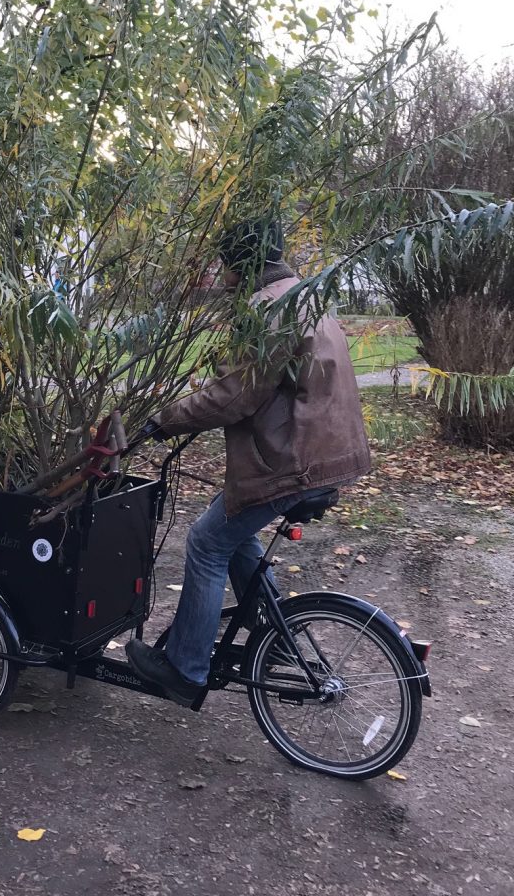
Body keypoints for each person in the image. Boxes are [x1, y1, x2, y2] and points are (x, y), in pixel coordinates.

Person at [126, 218, 372, 706]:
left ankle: (185, 667)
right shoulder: (304, 294)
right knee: (231, 533)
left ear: (239, 264)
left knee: (205, 542)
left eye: (224, 264)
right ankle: (277, 639)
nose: (222, 274)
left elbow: (232, 397)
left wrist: (161, 421)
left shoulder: (268, 309)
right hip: (325, 453)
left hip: (293, 461)